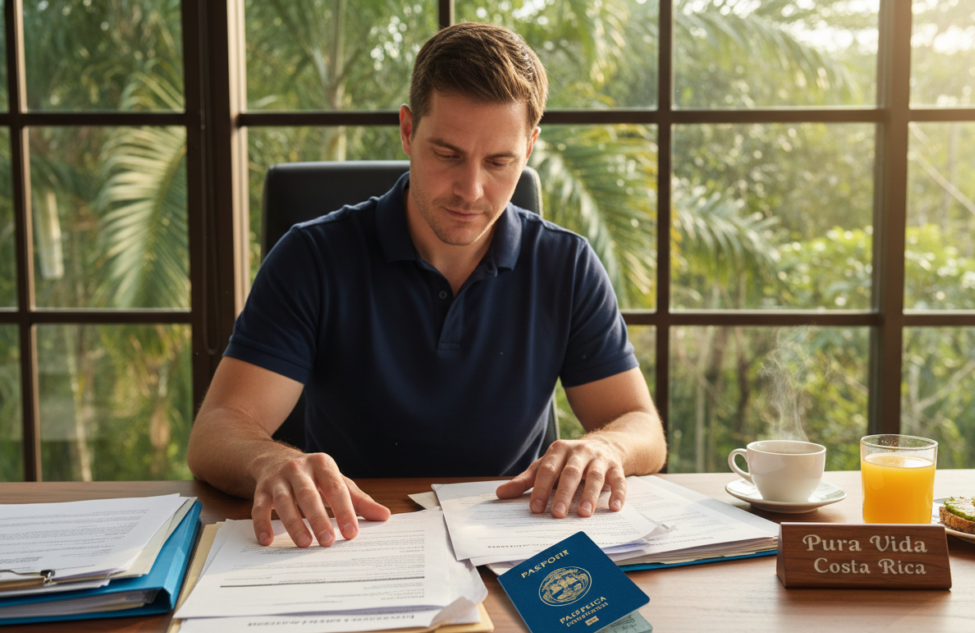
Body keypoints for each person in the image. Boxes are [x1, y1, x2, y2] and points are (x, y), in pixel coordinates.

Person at [187, 22, 666, 549]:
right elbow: (216, 431)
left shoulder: (566, 263)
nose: (472, 189)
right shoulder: (312, 256)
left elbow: (640, 424)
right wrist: (270, 460)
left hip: (514, 539)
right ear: (408, 131)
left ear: (529, 147)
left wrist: (607, 450)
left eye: (499, 162)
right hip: (350, 535)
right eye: (448, 154)